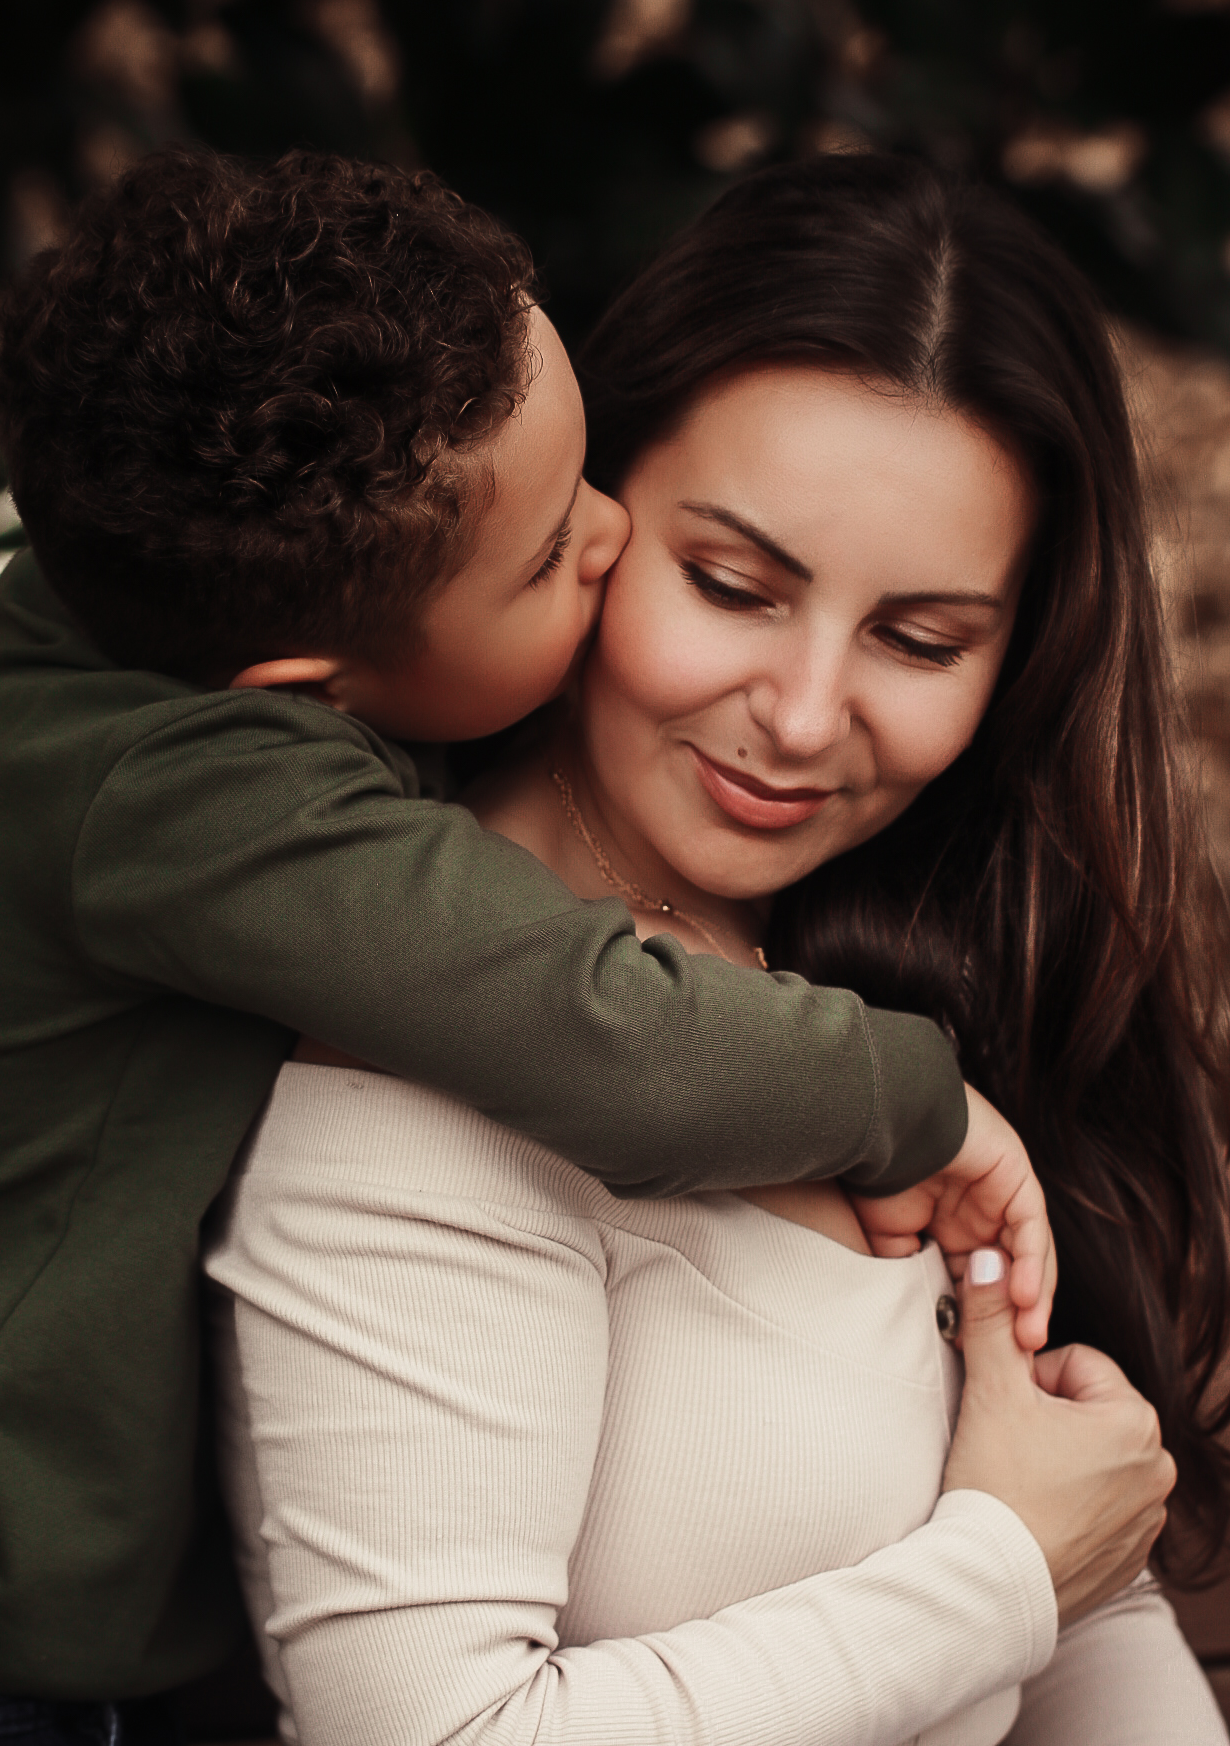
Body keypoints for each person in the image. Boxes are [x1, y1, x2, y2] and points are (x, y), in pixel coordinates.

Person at [0, 148, 1049, 1740]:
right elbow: (603, 1036)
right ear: (307, 684)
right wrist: (909, 1096)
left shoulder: (160, 570)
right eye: (548, 560)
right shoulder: (187, 797)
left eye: (589, 470)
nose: (607, 537)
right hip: (13, 1649)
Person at [206, 154, 1226, 1743]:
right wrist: (1007, 1569)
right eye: (735, 585)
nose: (809, 719)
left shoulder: (891, 972)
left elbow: (1086, 1592)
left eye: (920, 639)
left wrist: (1057, 1563)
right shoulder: (423, 1056)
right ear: (580, 521)